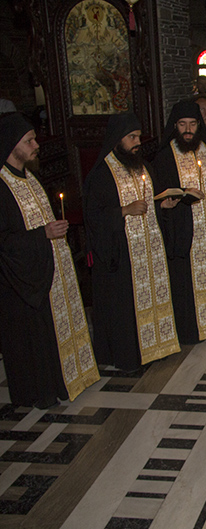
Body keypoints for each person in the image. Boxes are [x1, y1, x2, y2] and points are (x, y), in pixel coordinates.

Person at [0, 113, 99, 407]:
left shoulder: (30, 177)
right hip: (20, 279)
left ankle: (63, 380)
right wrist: (42, 234)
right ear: (10, 145)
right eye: (28, 141)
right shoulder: (2, 186)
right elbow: (3, 239)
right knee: (32, 338)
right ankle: (40, 392)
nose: (36, 145)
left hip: (47, 266)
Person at [83, 113, 180, 372]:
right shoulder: (102, 174)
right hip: (122, 254)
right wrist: (123, 211)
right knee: (126, 307)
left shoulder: (143, 166)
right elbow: (93, 216)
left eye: (138, 136)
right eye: (132, 137)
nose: (138, 142)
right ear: (117, 140)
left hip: (151, 251)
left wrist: (164, 206)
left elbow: (152, 202)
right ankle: (130, 355)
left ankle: (156, 346)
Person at [152, 101, 206, 344]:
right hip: (185, 230)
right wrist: (180, 195)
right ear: (175, 126)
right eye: (183, 125)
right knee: (186, 281)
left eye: (193, 124)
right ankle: (192, 329)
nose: (188, 130)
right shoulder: (165, 155)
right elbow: (159, 194)